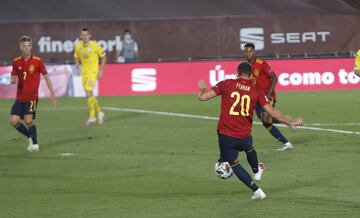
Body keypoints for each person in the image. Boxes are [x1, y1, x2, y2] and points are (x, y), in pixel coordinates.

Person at [197, 62, 303, 200]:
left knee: (233, 163)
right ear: (251, 75)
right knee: (249, 148)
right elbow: (273, 113)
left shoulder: (226, 84)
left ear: (237, 72)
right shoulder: (256, 90)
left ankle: (257, 190)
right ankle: (256, 169)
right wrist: (292, 121)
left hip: (226, 135)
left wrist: (203, 88)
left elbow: (203, 97)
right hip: (245, 135)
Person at [244, 43, 295, 151]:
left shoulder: (261, 63)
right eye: (246, 52)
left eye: (250, 51)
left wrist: (268, 94)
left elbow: (274, 78)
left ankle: (287, 138)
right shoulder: (246, 67)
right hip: (256, 99)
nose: (248, 53)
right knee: (267, 123)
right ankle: (287, 136)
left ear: (254, 52)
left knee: (266, 118)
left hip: (267, 96)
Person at [9, 35, 56, 152]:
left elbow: (46, 77)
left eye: (28, 46)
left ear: (31, 47)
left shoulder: (37, 61)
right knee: (13, 121)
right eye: (24, 46)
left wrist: (52, 93)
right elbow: (13, 76)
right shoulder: (16, 62)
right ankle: (30, 136)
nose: (26, 48)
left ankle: (35, 144)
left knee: (28, 120)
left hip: (31, 97)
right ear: (20, 47)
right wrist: (12, 79)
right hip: (20, 98)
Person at [74, 28, 106, 126]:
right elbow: (76, 56)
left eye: (86, 35)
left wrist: (101, 70)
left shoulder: (95, 45)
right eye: (82, 35)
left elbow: (104, 57)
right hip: (84, 73)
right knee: (89, 94)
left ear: (89, 36)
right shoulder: (78, 45)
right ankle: (100, 112)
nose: (84, 37)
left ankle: (92, 117)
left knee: (88, 92)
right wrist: (77, 63)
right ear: (81, 36)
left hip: (93, 72)